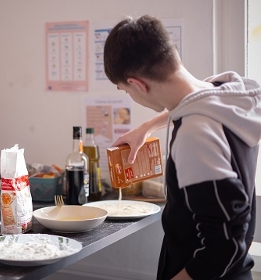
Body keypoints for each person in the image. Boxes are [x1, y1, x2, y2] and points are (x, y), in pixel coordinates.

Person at [104, 15, 261, 280]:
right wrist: (148, 127)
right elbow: (195, 102)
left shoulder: (195, 136)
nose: (131, 96)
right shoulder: (232, 90)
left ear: (137, 84)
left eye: (126, 91)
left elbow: (224, 246)